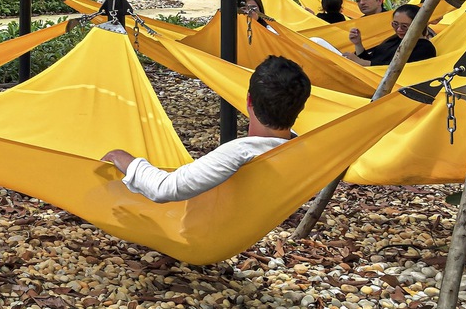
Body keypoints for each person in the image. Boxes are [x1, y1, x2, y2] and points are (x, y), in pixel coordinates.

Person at [101, 56, 311, 203]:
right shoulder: (308, 147)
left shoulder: (241, 153)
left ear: (248, 100)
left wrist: (122, 157)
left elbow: (164, 188)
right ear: (302, 105)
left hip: (200, 231)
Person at [345, 3, 435, 66]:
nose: (399, 29)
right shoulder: (394, 40)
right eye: (395, 24)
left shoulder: (424, 48)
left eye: (404, 26)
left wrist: (361, 62)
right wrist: (358, 44)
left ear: (419, 25)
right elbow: (371, 60)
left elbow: (397, 69)